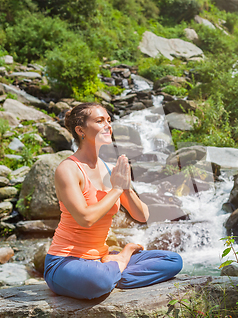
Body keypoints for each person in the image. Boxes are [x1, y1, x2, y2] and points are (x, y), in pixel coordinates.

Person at [43, 102, 182, 300]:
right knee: (98, 282)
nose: (108, 125)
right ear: (80, 130)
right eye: (100, 121)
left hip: (101, 258)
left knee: (172, 260)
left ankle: (112, 270)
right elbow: (85, 218)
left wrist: (125, 186)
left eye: (109, 120)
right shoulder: (68, 169)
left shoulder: (109, 169)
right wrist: (116, 188)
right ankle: (121, 260)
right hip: (65, 261)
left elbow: (142, 215)